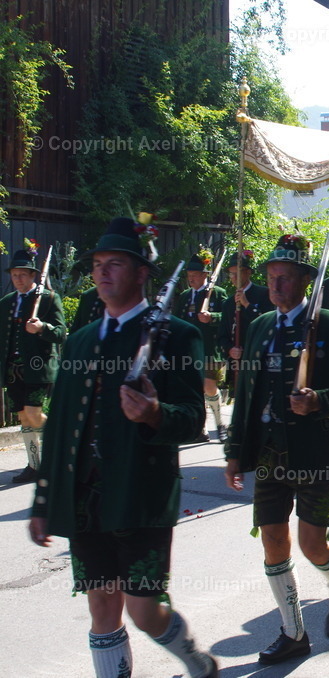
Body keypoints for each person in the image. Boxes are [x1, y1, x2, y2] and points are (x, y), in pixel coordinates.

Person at [29, 216, 217, 677]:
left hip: (139, 497)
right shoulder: (79, 341)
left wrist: (155, 414)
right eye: (98, 264)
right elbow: (57, 431)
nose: (103, 272)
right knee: (102, 608)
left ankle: (195, 659)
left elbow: (193, 419)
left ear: (141, 273)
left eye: (116, 263)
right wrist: (43, 500)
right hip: (85, 500)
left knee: (144, 612)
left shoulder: (178, 335)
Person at [224, 234, 329, 665]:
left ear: (305, 281)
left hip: (315, 450)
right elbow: (245, 396)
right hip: (269, 452)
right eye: (271, 277)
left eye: (285, 278)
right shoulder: (262, 326)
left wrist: (319, 399)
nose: (277, 286)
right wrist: (234, 451)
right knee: (272, 538)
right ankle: (293, 632)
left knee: (312, 544)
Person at [1, 242, 65, 483]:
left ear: (32, 275)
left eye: (22, 275)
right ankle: (34, 466)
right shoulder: (6, 302)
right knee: (24, 418)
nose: (17, 279)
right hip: (12, 371)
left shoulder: (48, 299)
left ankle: (64, 441)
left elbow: (61, 333)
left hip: (39, 369)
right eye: (14, 275)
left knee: (34, 414)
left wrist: (42, 328)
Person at [173, 247, 227, 442]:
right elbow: (176, 321)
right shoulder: (185, 296)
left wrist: (211, 318)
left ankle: (220, 423)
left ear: (205, 274)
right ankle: (201, 428)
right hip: (189, 351)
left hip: (210, 349)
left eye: (195, 274)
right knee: (195, 389)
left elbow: (228, 318)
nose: (191, 278)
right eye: (189, 275)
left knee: (209, 387)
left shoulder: (217, 293)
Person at [219, 249, 272, 399]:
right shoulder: (228, 303)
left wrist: (247, 304)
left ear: (248, 273)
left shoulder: (264, 294)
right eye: (231, 274)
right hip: (238, 363)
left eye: (237, 273)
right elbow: (222, 336)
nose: (233, 278)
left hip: (260, 360)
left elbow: (268, 323)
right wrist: (230, 350)